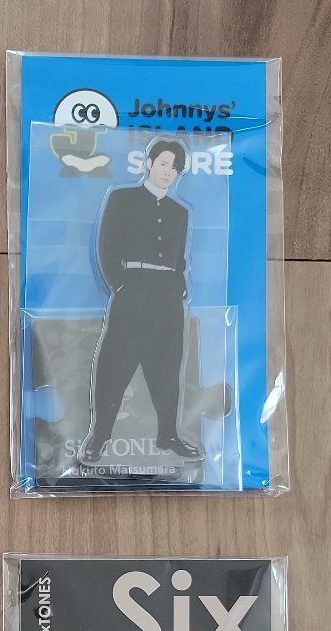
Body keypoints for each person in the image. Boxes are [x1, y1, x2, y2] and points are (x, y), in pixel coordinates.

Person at [78, 138, 203, 466]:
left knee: (168, 366)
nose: (168, 172)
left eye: (174, 168)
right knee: (114, 365)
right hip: (132, 291)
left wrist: (179, 287)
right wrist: (120, 285)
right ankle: (99, 435)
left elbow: (178, 259)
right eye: (163, 164)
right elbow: (106, 247)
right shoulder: (123, 198)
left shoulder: (180, 213)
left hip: (168, 299)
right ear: (149, 163)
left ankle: (168, 435)